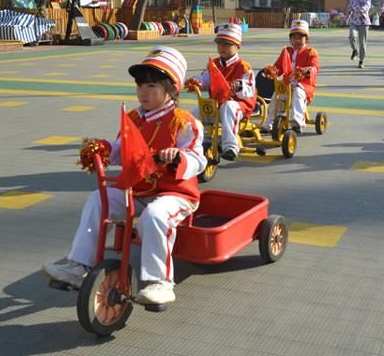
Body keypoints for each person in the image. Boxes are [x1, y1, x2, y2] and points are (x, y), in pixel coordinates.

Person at [43, 46, 207, 305]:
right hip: (137, 189)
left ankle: (161, 282)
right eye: (140, 85)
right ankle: (78, 266)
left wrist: (177, 156)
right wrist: (103, 148)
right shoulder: (133, 118)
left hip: (175, 193)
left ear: (171, 89)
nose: (143, 91)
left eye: (152, 86)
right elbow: (121, 149)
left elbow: (199, 159)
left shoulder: (183, 121)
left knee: (155, 215)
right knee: (99, 199)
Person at [191, 22, 256, 160]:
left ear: (238, 45)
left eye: (227, 44)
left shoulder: (243, 66)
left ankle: (231, 146)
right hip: (217, 105)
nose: (222, 47)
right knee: (193, 115)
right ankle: (192, 145)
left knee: (228, 107)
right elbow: (205, 78)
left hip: (239, 106)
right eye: (220, 44)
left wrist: (238, 85)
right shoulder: (213, 64)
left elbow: (249, 88)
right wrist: (197, 82)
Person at [262, 20, 319, 132]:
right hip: (286, 84)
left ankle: (297, 122)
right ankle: (270, 123)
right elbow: (278, 67)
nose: (296, 40)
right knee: (276, 97)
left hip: (303, 86)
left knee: (298, 93)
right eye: (294, 38)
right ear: (290, 39)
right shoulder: (286, 51)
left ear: (306, 39)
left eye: (300, 38)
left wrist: (306, 71)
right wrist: (272, 72)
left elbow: (315, 67)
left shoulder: (311, 52)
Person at [346, 0, 371, 68]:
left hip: (364, 22)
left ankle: (361, 60)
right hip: (354, 22)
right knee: (352, 36)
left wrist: (362, 9)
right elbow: (350, 8)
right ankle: (354, 50)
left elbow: (367, 6)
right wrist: (347, 17)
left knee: (362, 43)